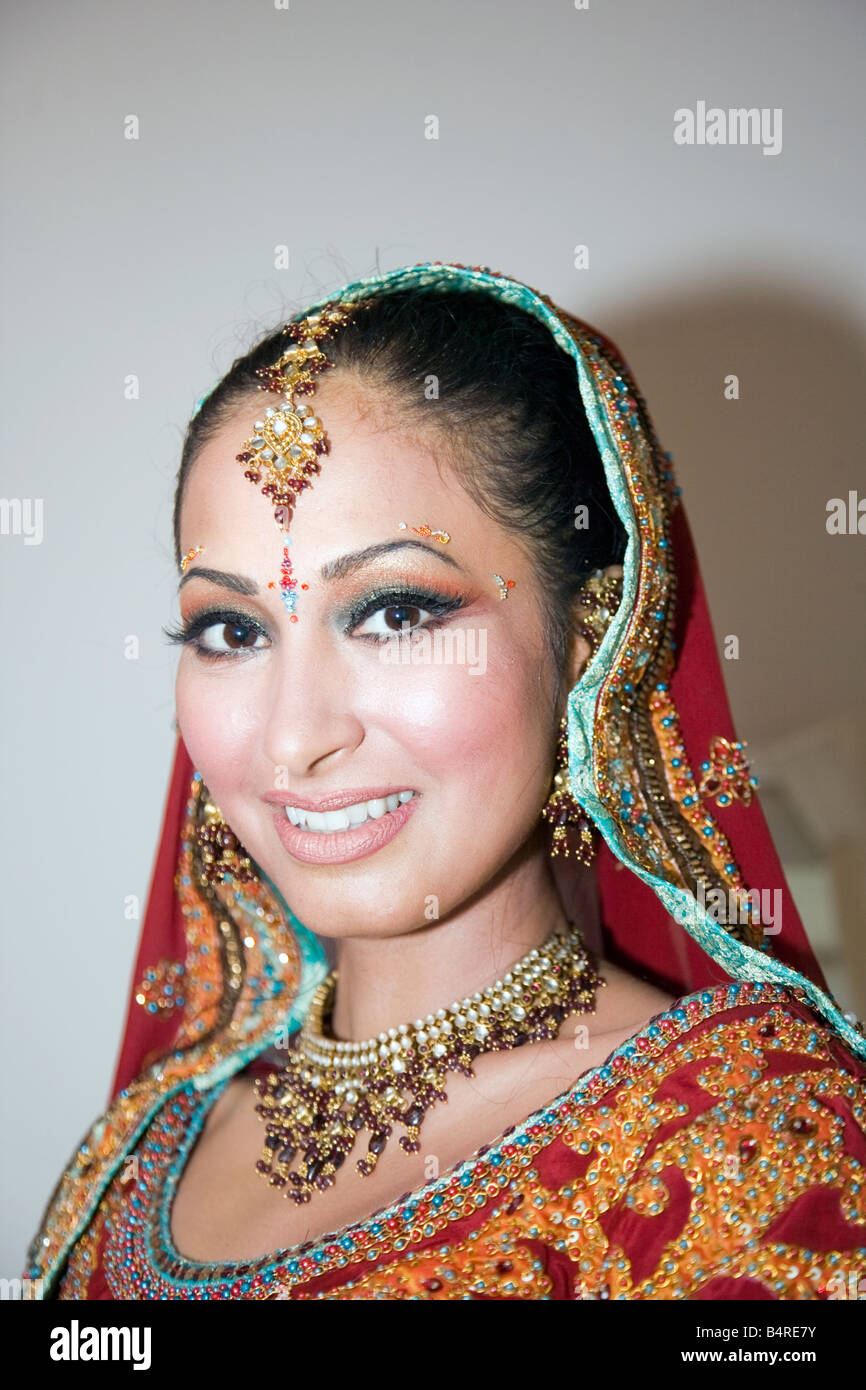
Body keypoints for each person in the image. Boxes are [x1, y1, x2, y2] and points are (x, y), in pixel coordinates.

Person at [27, 262, 866, 1301]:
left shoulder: (754, 1148)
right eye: (230, 629)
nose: (293, 737)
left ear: (588, 641)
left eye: (394, 613)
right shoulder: (138, 1153)